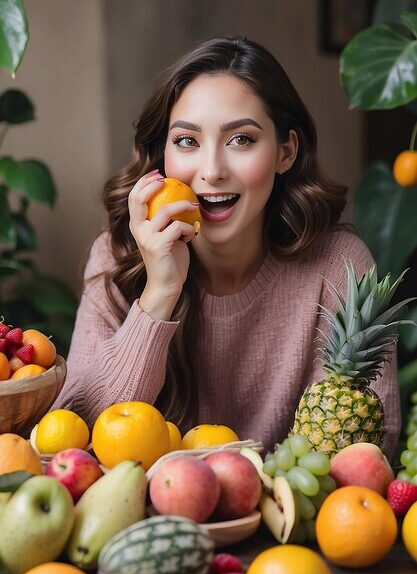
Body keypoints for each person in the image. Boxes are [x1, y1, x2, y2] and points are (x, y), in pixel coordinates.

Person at [51, 36, 400, 459]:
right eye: (186, 141)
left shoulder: (338, 266)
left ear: (285, 152)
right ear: (162, 154)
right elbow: (72, 440)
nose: (212, 171)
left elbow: (362, 455)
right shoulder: (118, 253)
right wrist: (159, 295)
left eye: (241, 140)